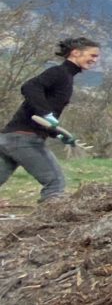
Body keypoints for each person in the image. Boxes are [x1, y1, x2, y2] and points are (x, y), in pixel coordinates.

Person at [0, 37, 100, 202]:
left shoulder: (66, 77)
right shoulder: (59, 73)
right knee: (55, 183)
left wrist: (58, 134)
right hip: (25, 139)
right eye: (93, 55)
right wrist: (46, 113)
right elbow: (30, 87)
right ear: (75, 53)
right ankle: (46, 225)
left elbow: (42, 118)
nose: (95, 60)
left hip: (9, 138)